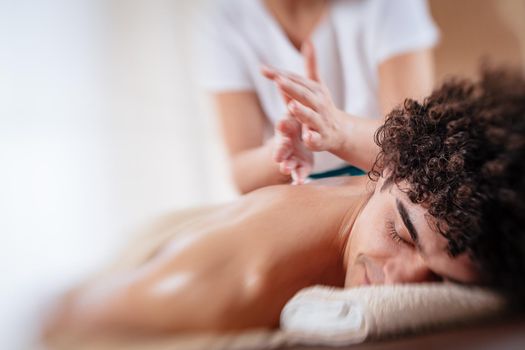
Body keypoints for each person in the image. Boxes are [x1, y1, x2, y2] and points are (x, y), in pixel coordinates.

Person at [45, 68, 525, 337]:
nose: (400, 280)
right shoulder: (246, 281)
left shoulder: (414, 186)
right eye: (400, 233)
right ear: (384, 173)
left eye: (440, 279)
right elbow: (69, 321)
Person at [197, 0, 438, 193]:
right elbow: (241, 173)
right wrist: (282, 150)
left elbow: (418, 146)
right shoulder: (228, 15)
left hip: (383, 185)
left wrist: (340, 132)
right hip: (296, 193)